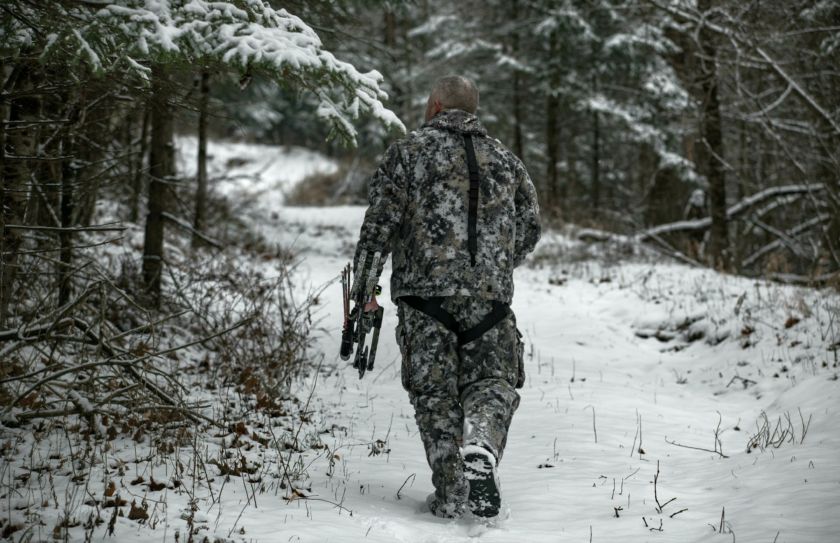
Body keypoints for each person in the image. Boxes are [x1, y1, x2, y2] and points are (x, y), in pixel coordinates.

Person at [350, 75, 541, 519]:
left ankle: (454, 494)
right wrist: (493, 267)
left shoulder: (407, 152)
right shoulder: (507, 161)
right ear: (472, 110)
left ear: (435, 105)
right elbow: (530, 229)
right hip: (490, 303)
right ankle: (481, 445)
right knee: (492, 383)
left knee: (433, 394)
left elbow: (379, 226)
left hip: (424, 299)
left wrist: (364, 291)